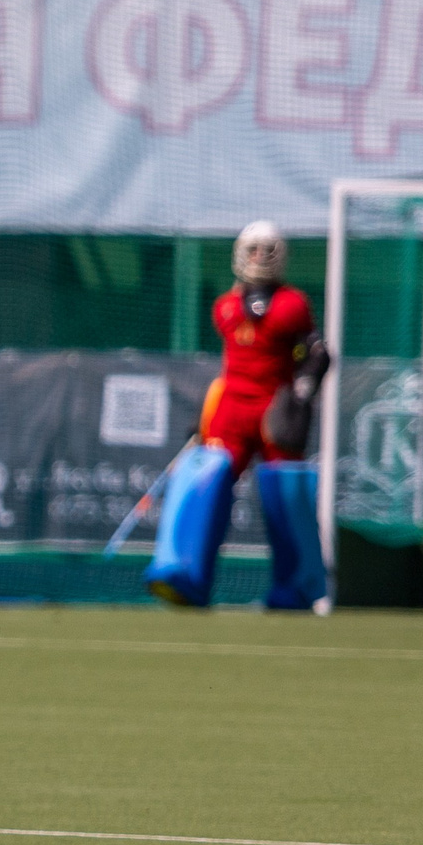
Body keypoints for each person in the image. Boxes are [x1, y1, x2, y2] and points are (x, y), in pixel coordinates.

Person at [153, 220, 330, 609]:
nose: (259, 258)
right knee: (205, 487)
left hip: (274, 412)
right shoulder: (226, 307)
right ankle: (185, 577)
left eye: (267, 249)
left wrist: (303, 390)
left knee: (285, 497)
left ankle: (295, 588)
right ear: (240, 253)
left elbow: (317, 353)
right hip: (231, 410)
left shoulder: (293, 305)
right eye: (253, 249)